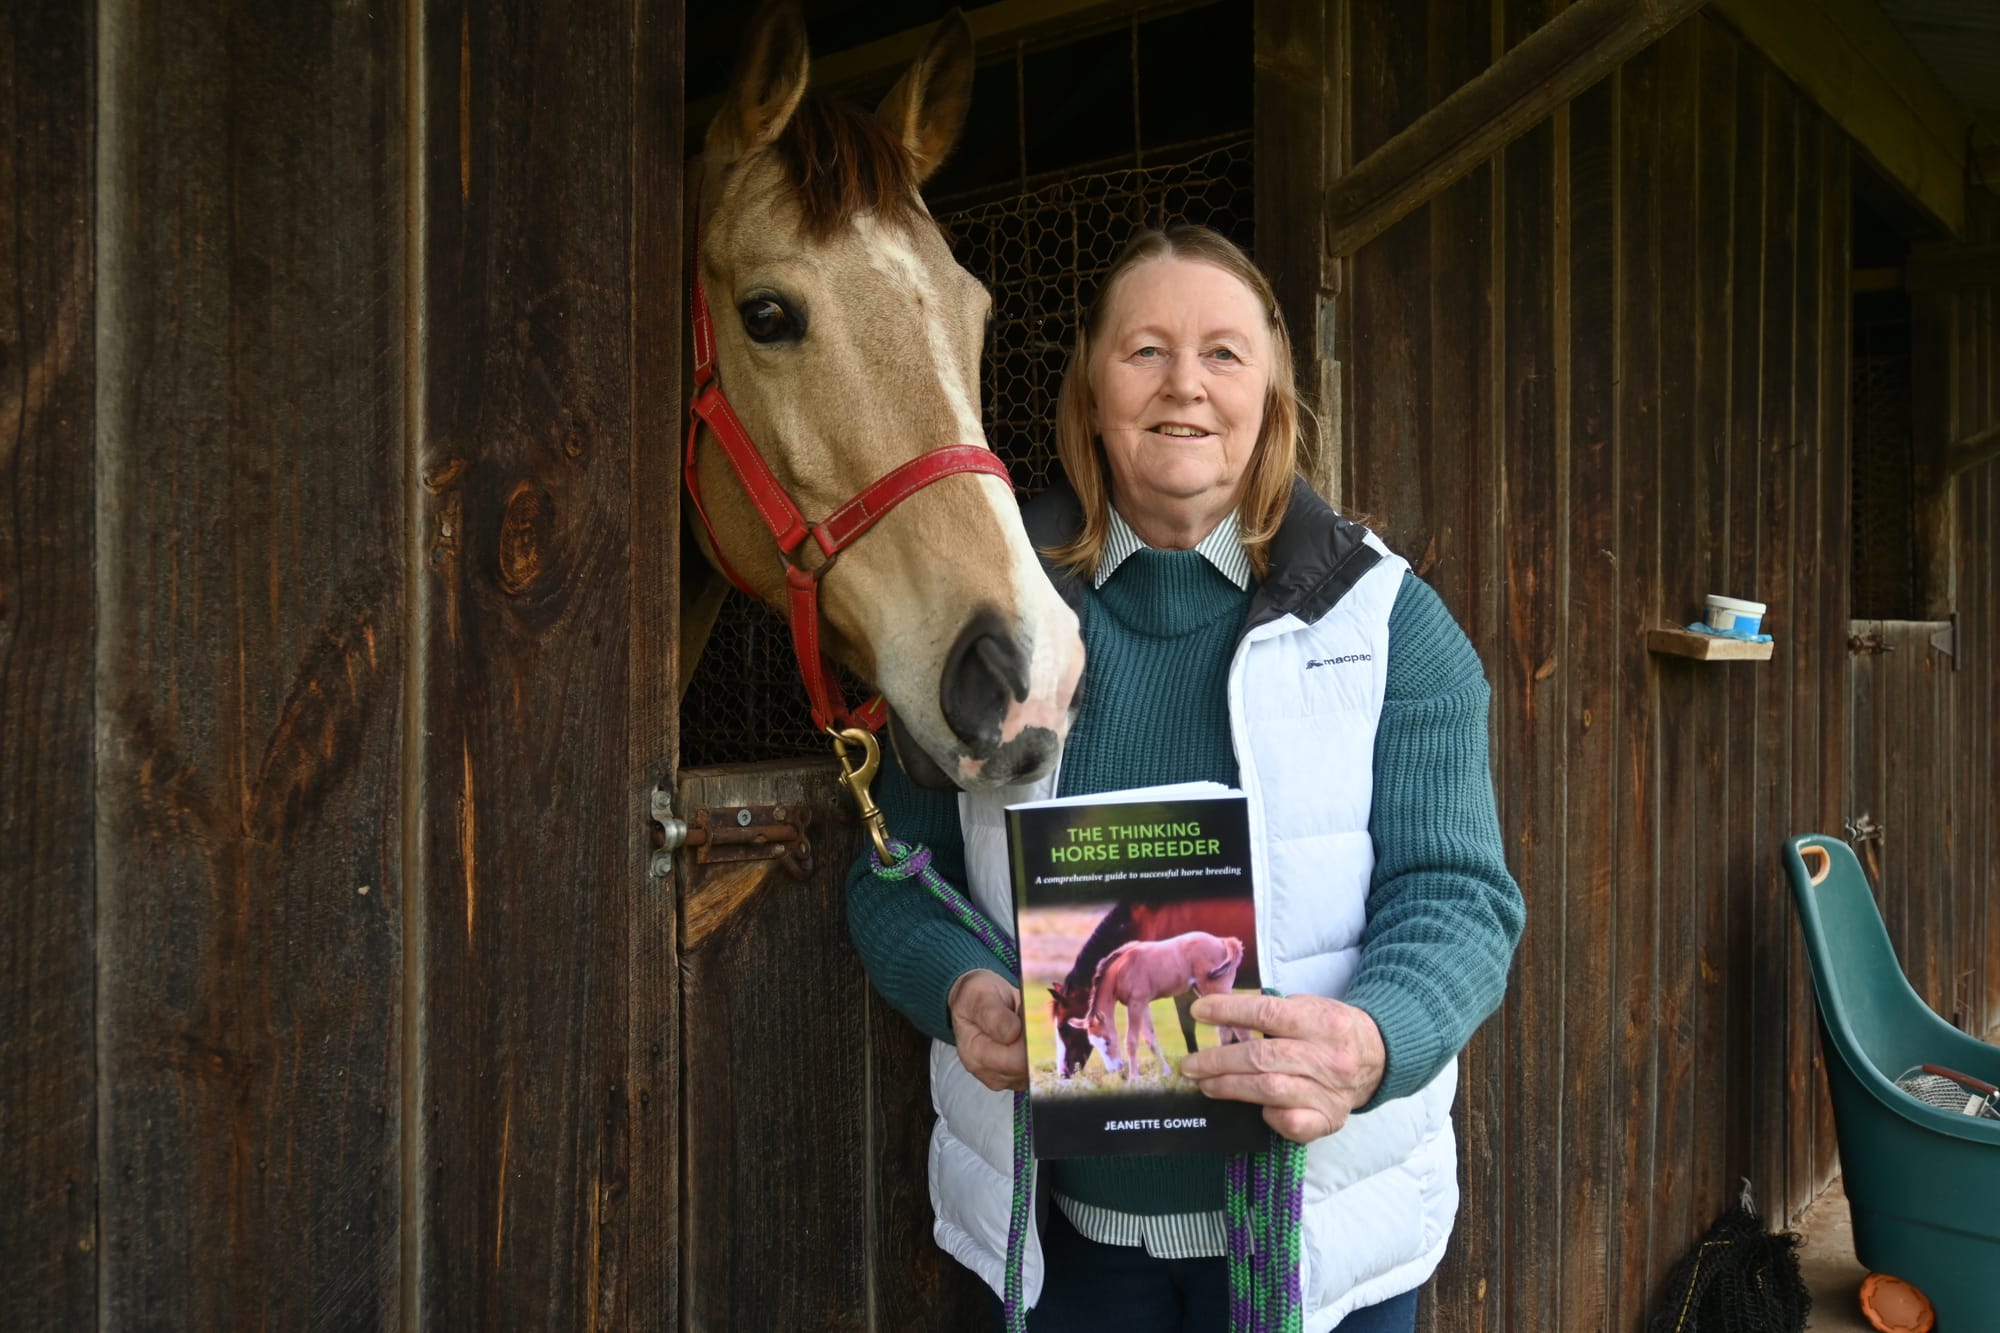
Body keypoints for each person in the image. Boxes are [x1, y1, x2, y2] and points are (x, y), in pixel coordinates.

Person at [846, 225, 1525, 1333]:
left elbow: (1458, 896)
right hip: (1058, 1244)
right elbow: (895, 870)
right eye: (1143, 351)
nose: (1183, 387)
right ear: (1089, 389)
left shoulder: (1386, 622)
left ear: (1272, 392)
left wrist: (1370, 1040)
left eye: (1221, 353)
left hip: (1318, 1241)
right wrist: (961, 989)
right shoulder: (978, 623)